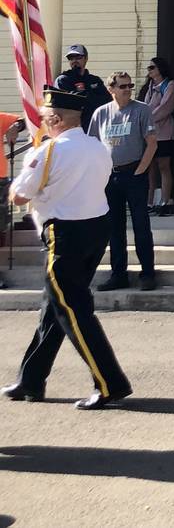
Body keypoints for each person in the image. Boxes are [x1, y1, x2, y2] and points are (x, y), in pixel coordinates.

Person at [4, 86, 132, 409]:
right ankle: (31, 378)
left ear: (57, 119)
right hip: (95, 230)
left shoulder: (47, 152)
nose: (44, 124)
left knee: (74, 312)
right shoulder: (98, 148)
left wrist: (28, 173)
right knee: (55, 308)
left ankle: (109, 382)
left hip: (64, 235)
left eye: (46, 119)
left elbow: (19, 195)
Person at [89, 71, 159, 292]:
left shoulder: (141, 110)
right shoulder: (100, 114)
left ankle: (147, 273)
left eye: (130, 85)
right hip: (109, 177)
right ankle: (118, 274)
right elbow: (92, 146)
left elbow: (152, 144)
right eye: (122, 86)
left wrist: (140, 170)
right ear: (111, 90)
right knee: (114, 228)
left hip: (134, 174)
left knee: (141, 225)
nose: (128, 89)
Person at [140, 57, 174, 215]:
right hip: (149, 133)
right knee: (150, 167)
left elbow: (166, 107)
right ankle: (149, 202)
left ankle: (164, 200)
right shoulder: (149, 87)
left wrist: (148, 118)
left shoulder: (169, 85)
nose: (149, 71)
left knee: (164, 166)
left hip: (164, 132)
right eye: (148, 68)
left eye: (152, 67)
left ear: (160, 69)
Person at [55, 43, 110, 129]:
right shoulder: (63, 80)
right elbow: (67, 104)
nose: (74, 61)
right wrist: (90, 96)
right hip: (72, 128)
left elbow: (107, 102)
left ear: (86, 58)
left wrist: (83, 94)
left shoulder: (95, 80)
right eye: (71, 58)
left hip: (94, 127)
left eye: (78, 57)